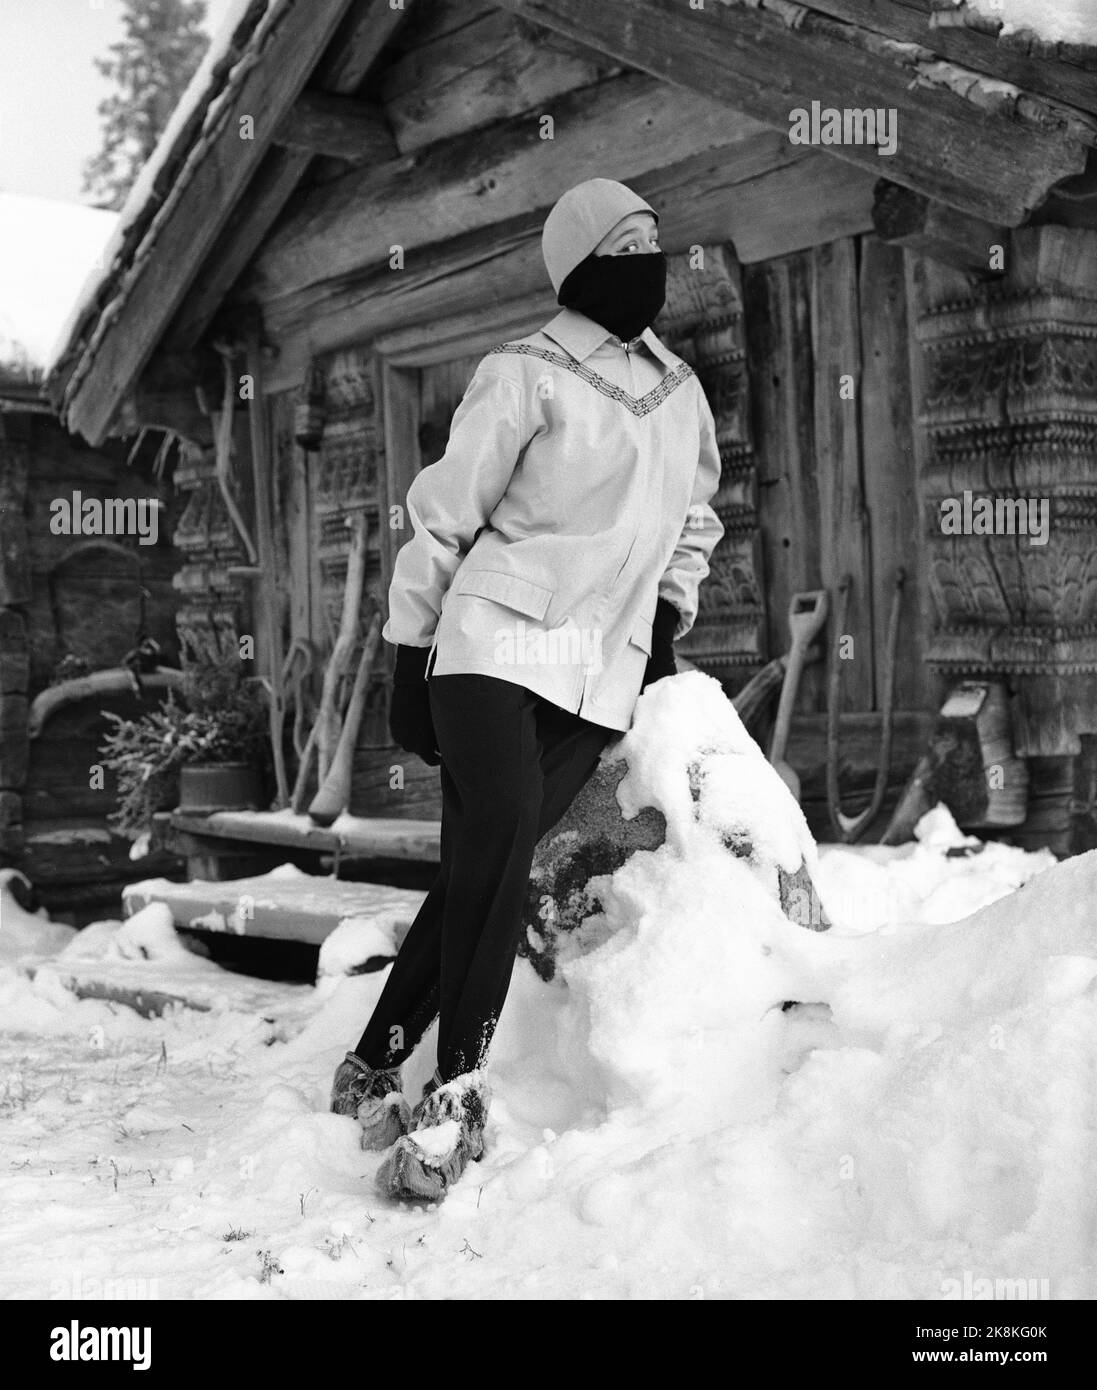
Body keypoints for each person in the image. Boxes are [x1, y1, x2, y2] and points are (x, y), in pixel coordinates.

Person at [330, 177, 725, 1201]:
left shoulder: (679, 392)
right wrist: (404, 654)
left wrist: (667, 616)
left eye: (656, 239)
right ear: (582, 263)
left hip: (594, 676)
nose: (650, 259)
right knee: (502, 838)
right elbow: (443, 518)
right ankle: (454, 1096)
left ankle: (375, 1052)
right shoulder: (525, 373)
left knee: (482, 867)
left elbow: (694, 518)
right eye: (626, 244)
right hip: (489, 646)